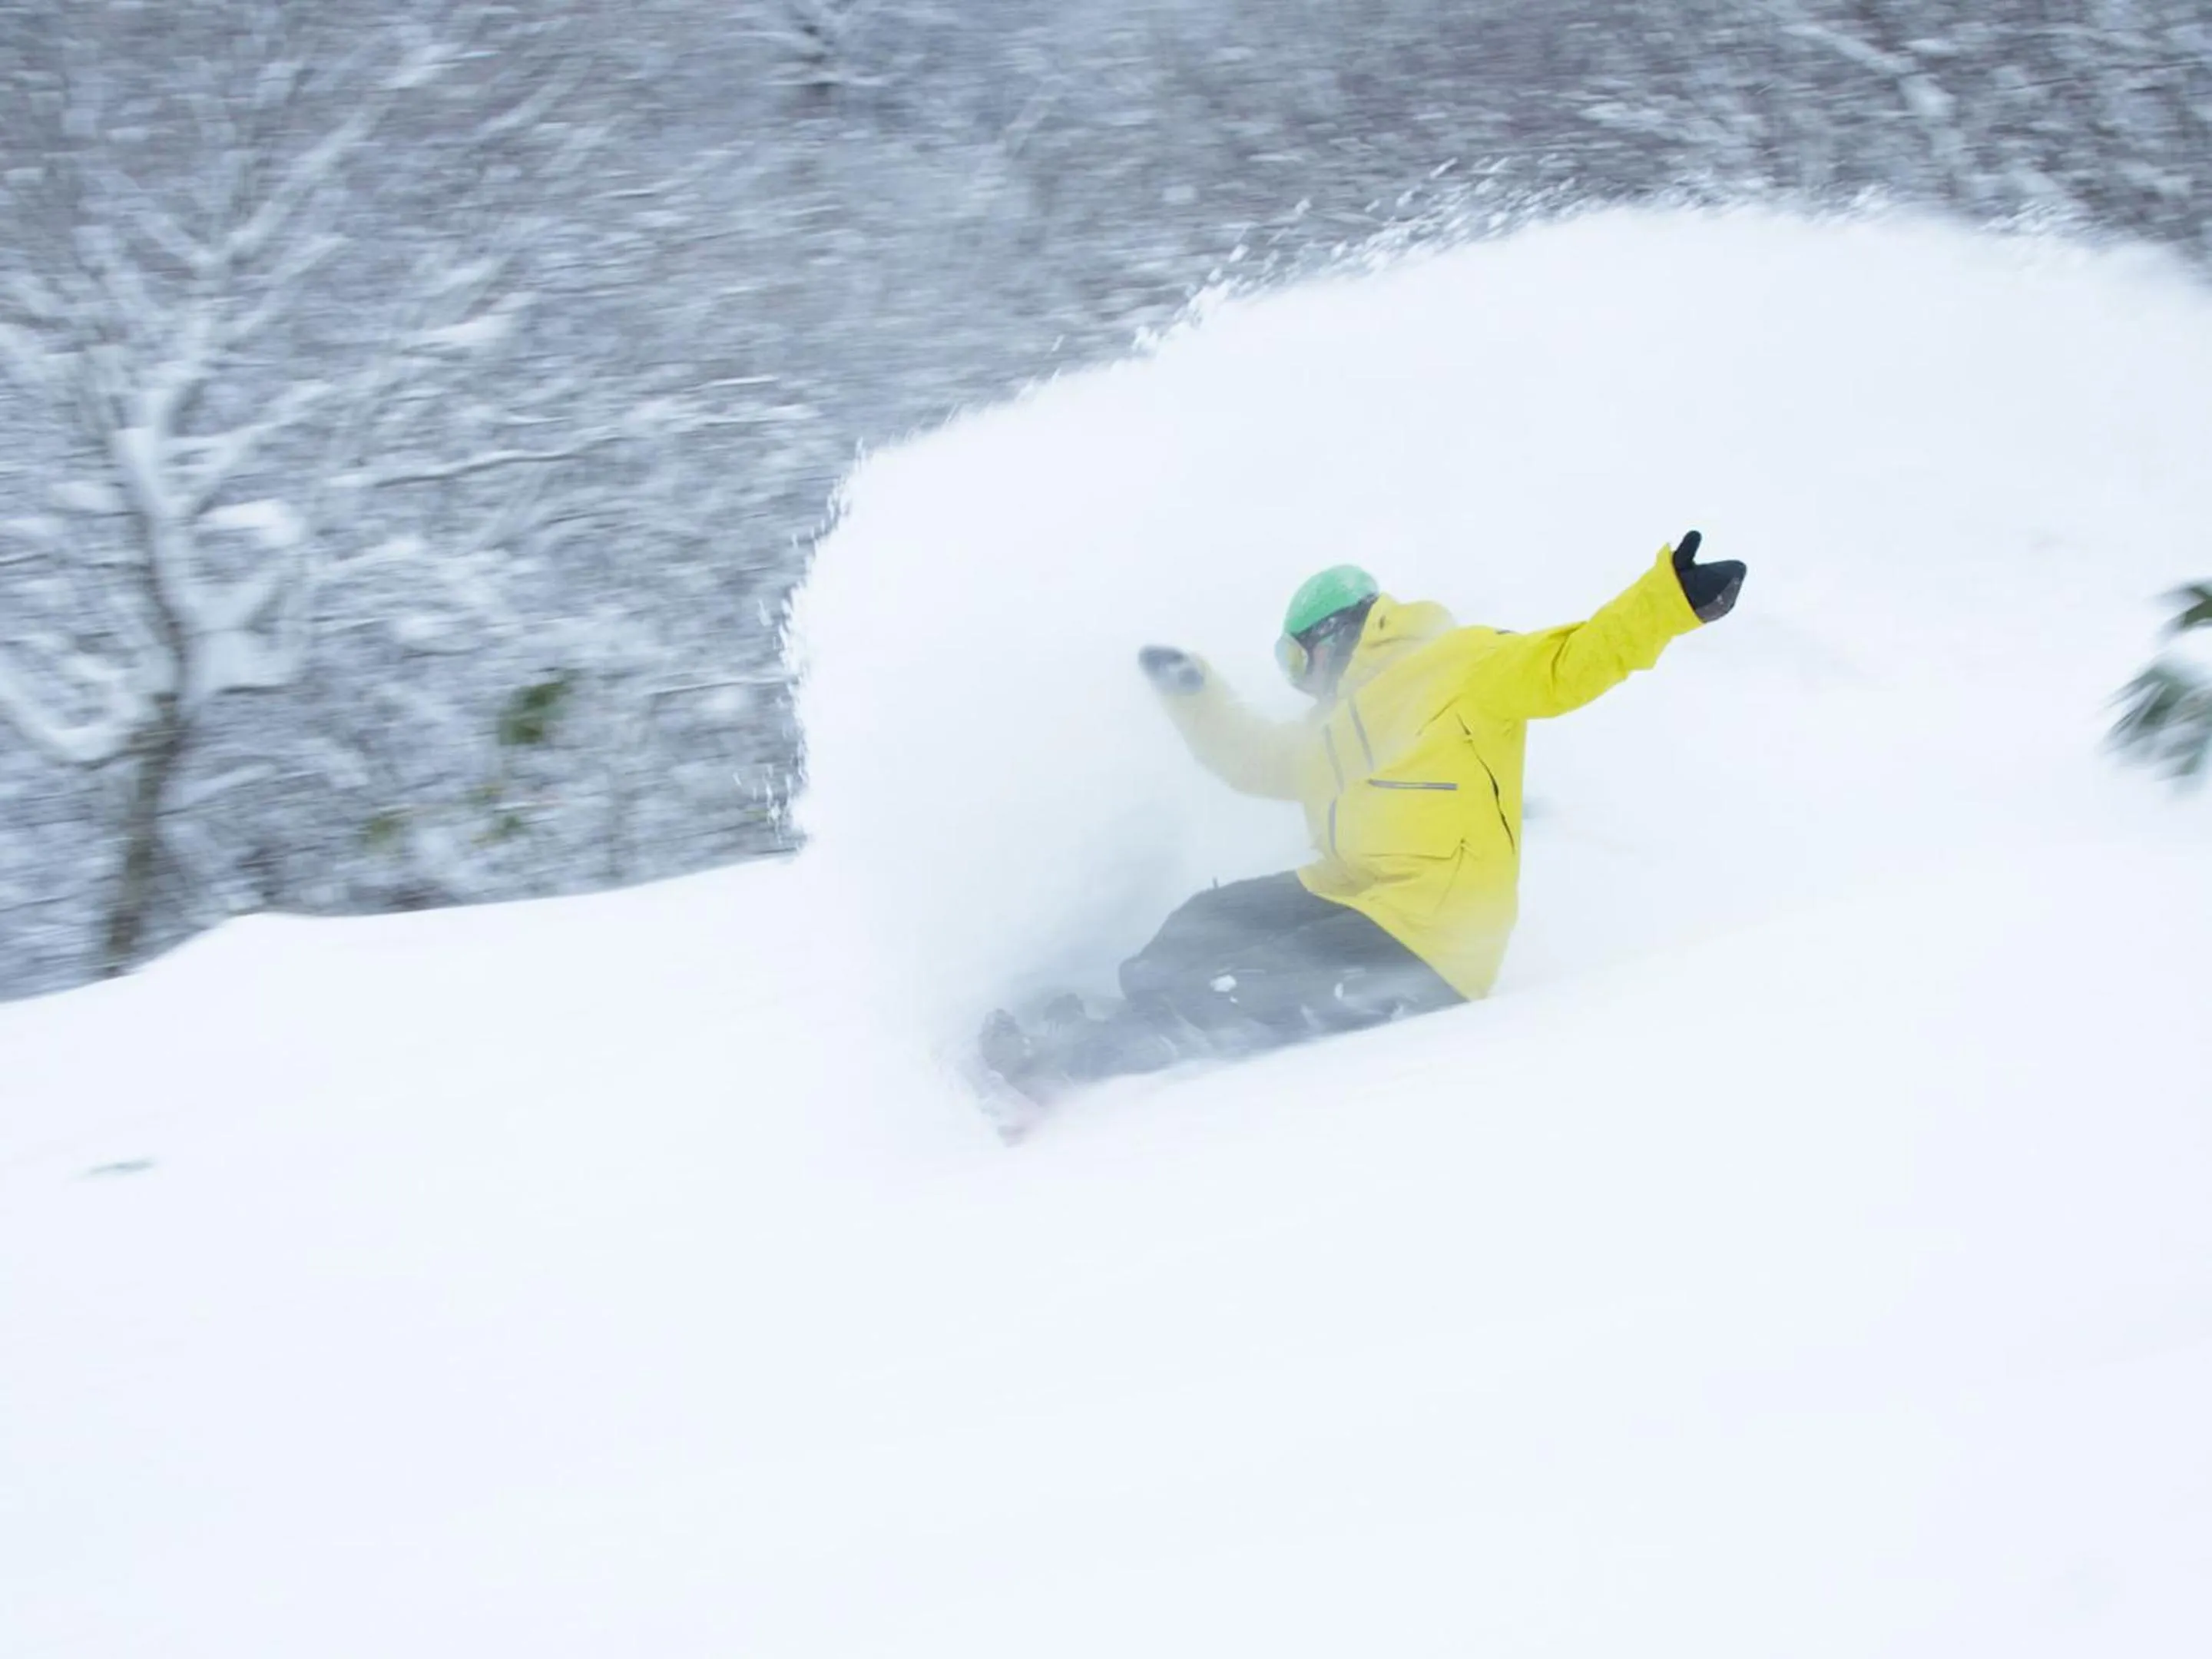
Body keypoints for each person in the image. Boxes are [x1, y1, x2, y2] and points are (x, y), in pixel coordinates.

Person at [980, 531, 1747, 1098]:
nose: (1294, 680)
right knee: (1203, 924)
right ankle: (1112, 1016)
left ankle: (1067, 1081)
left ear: (1335, 636)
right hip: (1351, 893)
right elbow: (1251, 760)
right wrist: (1192, 692)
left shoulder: (1463, 663)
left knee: (1238, 987)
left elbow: (1568, 663)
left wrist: (1667, 603)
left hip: (1433, 936)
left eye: (1293, 660)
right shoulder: (1332, 724)